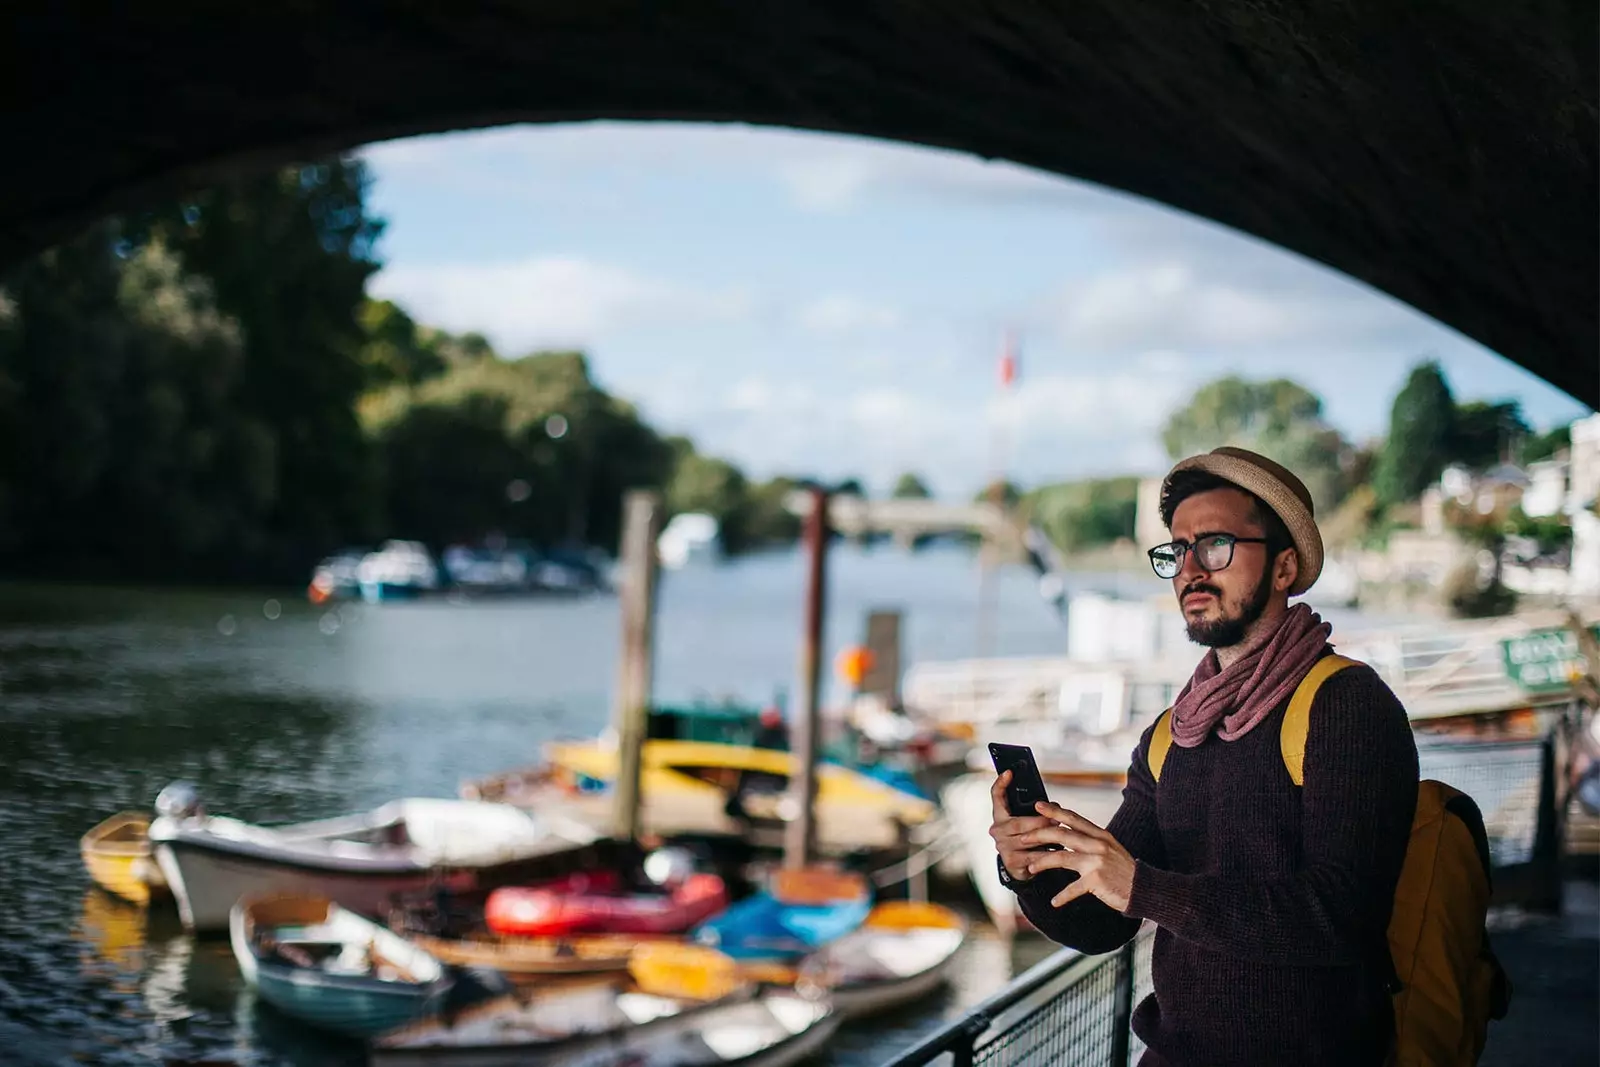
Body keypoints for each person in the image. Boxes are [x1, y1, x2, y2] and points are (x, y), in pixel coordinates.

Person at [990, 446, 1418, 1067]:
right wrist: (1029, 871)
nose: (1190, 569)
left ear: (1283, 566)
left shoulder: (1346, 706)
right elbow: (1105, 925)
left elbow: (1341, 916)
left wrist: (1145, 888)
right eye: (1177, 551)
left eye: (1215, 545)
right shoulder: (1173, 733)